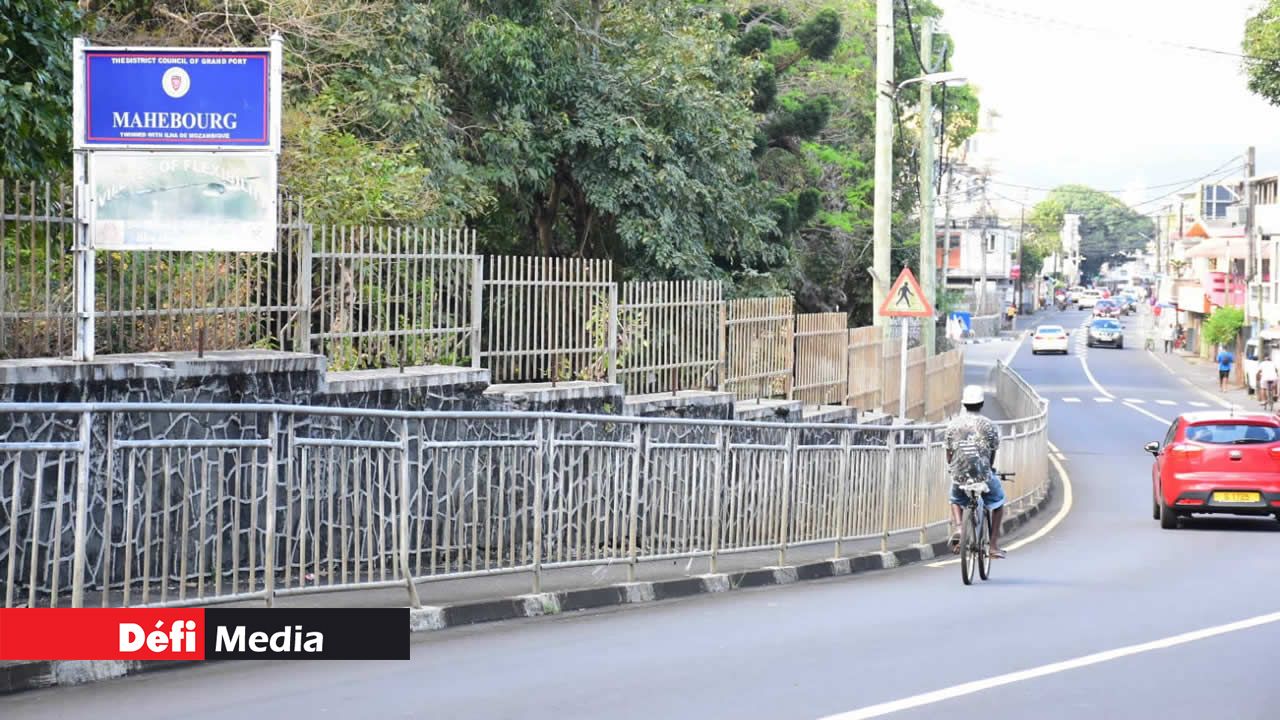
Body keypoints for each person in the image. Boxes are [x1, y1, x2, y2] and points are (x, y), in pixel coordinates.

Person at [945, 385, 1006, 559]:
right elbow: (992, 452)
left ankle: (959, 528)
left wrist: (954, 467)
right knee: (998, 501)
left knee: (955, 499)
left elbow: (949, 455)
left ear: (964, 403)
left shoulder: (953, 425)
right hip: (983, 474)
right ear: (981, 403)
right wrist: (989, 469)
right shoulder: (989, 426)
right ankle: (993, 546)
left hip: (959, 475)